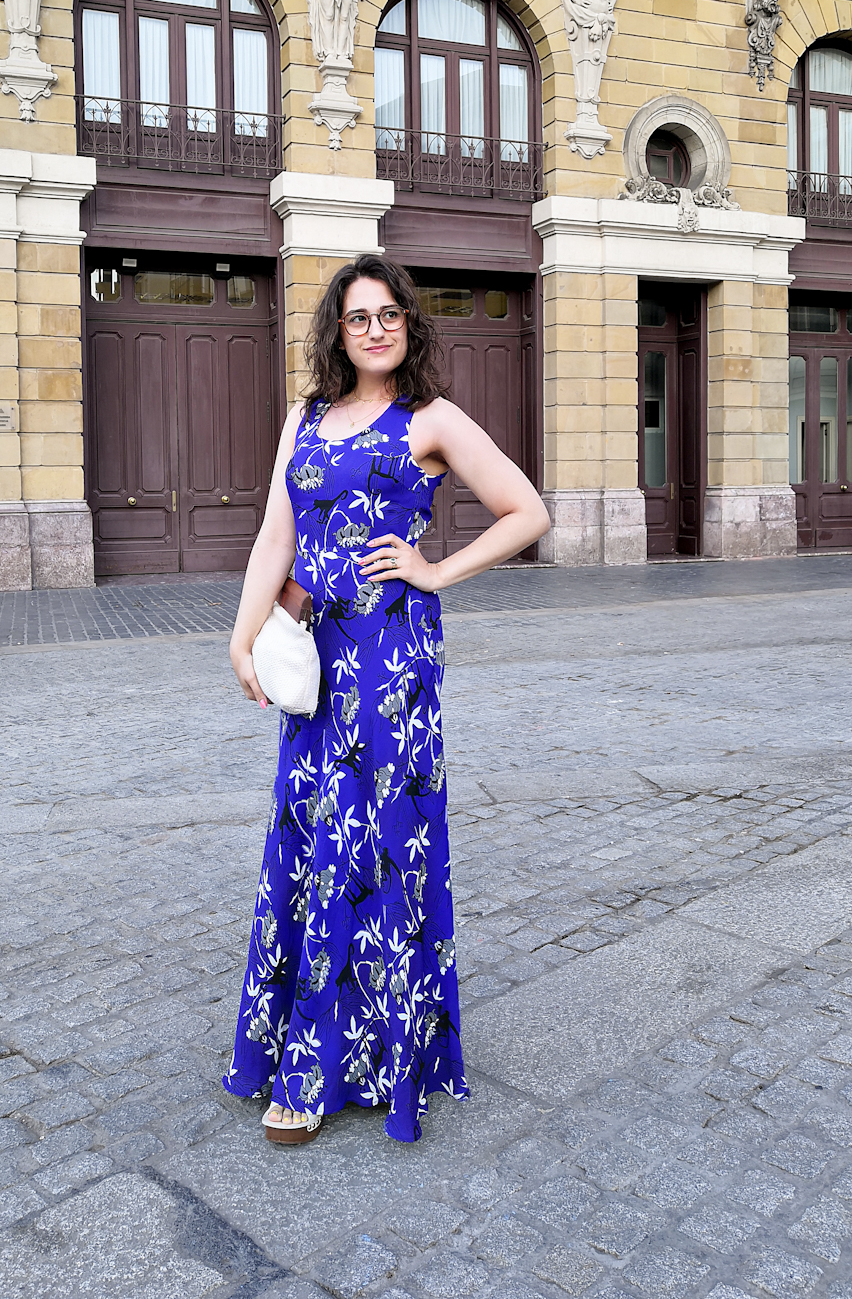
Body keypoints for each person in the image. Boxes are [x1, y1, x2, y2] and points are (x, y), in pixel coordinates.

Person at [223, 254, 549, 1144]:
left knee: (371, 842)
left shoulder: (430, 418)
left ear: (409, 323)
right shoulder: (306, 417)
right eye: (358, 317)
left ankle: (320, 1071)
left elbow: (527, 511)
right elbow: (276, 534)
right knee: (309, 835)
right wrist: (243, 636)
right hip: (316, 658)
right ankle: (311, 1042)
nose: (374, 329)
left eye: (388, 315)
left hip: (391, 662)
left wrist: (434, 569)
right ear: (337, 330)